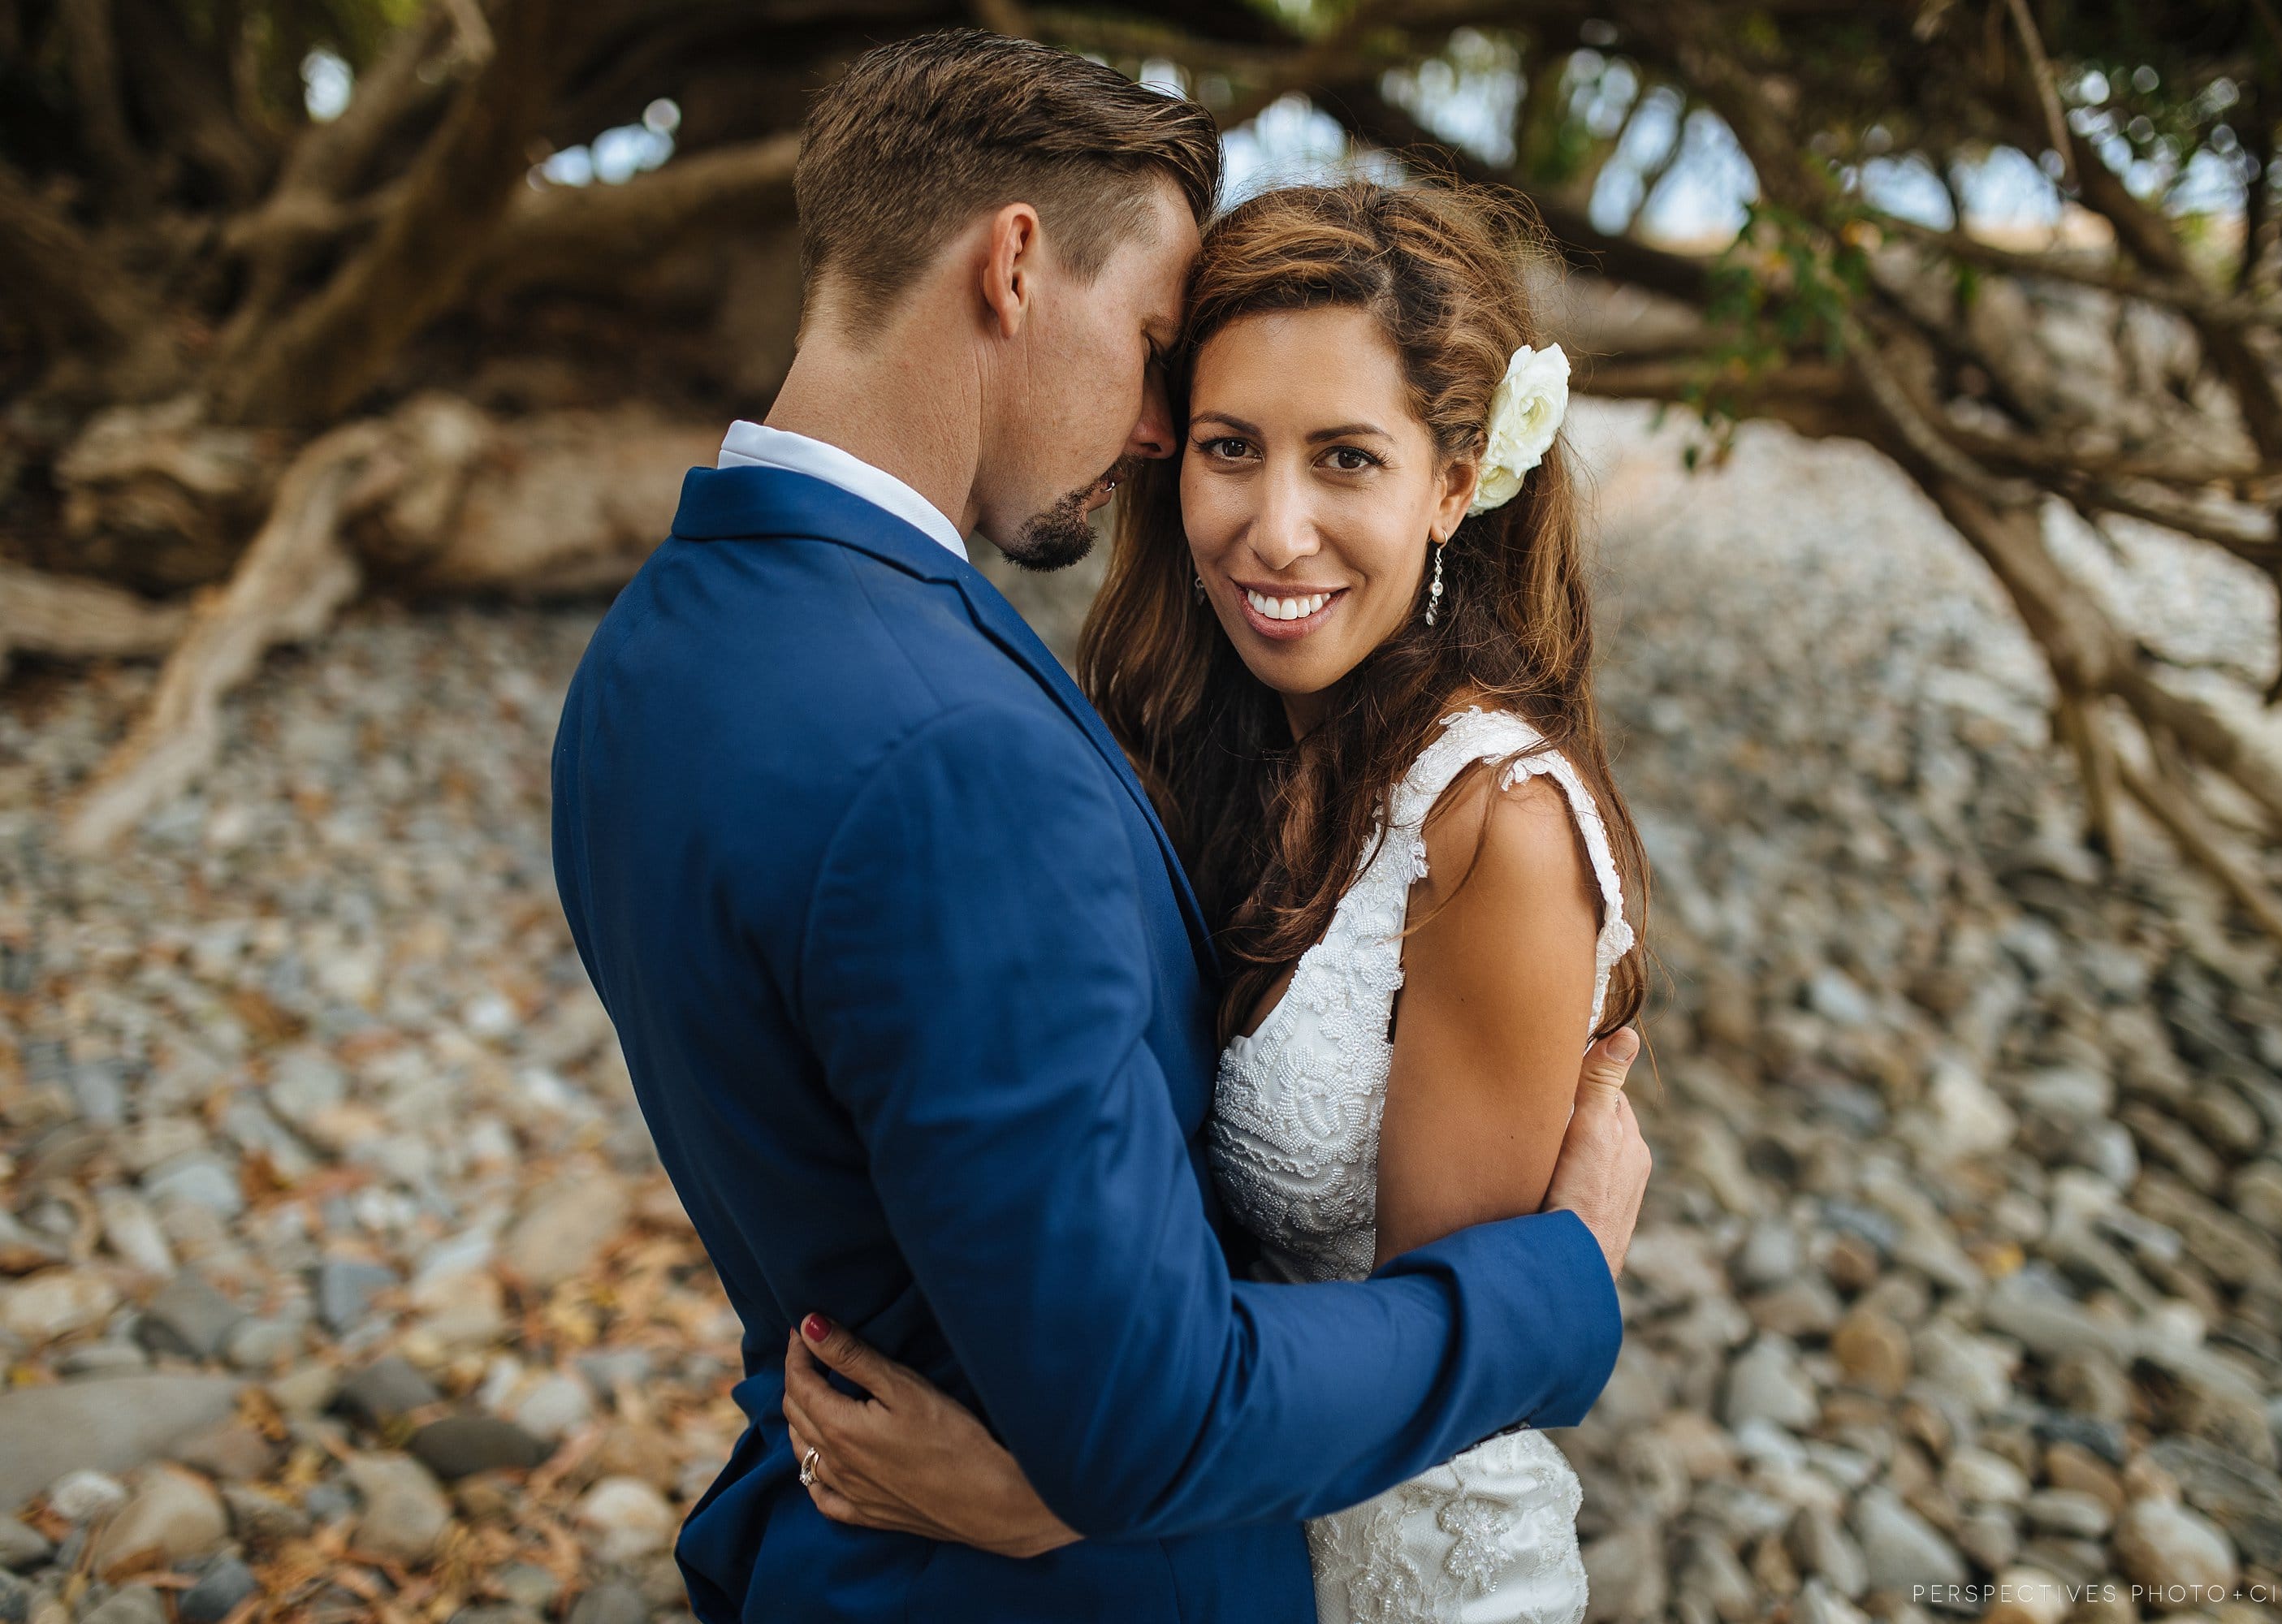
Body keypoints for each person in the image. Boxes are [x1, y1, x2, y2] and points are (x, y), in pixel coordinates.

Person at [550, 29, 1650, 1624]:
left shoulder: (649, 654)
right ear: (1013, 267)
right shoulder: (960, 754)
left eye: (1344, 456)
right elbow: (1142, 1411)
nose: (1152, 431)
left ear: (1453, 483)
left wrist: (1072, 1471)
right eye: (1161, 363)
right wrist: (1561, 1285)